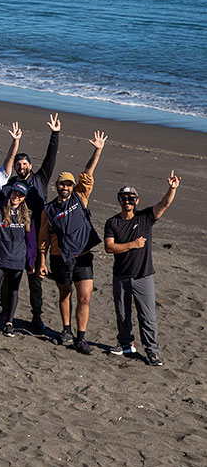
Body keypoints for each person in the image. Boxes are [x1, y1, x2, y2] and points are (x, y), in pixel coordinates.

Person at [37, 130, 107, 354]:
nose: (65, 187)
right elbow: (43, 238)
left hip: (83, 255)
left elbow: (88, 172)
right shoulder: (49, 209)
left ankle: (81, 338)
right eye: (62, 184)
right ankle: (66, 330)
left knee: (84, 297)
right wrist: (41, 261)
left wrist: (97, 149)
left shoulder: (80, 196)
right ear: (57, 185)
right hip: (59, 257)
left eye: (69, 184)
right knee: (65, 294)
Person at [103, 172, 180, 366]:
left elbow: (164, 204)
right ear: (119, 201)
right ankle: (126, 344)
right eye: (123, 198)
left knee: (147, 316)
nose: (127, 201)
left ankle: (152, 352)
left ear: (136, 200)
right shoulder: (112, 222)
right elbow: (109, 247)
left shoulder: (146, 217)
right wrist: (132, 244)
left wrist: (172, 188)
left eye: (130, 198)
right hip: (120, 276)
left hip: (143, 276)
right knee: (122, 314)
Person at [12, 113, 61, 333]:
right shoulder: (12, 184)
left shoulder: (39, 178)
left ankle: (37, 315)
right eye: (18, 164)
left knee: (35, 278)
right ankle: (6, 311)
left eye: (24, 164)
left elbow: (51, 158)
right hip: (15, 233)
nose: (21, 167)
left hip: (37, 233)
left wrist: (55, 134)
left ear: (30, 166)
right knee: (11, 275)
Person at [0, 183, 36, 337]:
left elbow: (31, 241)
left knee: (13, 291)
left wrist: (31, 261)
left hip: (17, 260)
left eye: (20, 195)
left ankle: (9, 323)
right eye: (14, 194)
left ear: (24, 198)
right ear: (10, 194)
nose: (16, 197)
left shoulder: (27, 215)